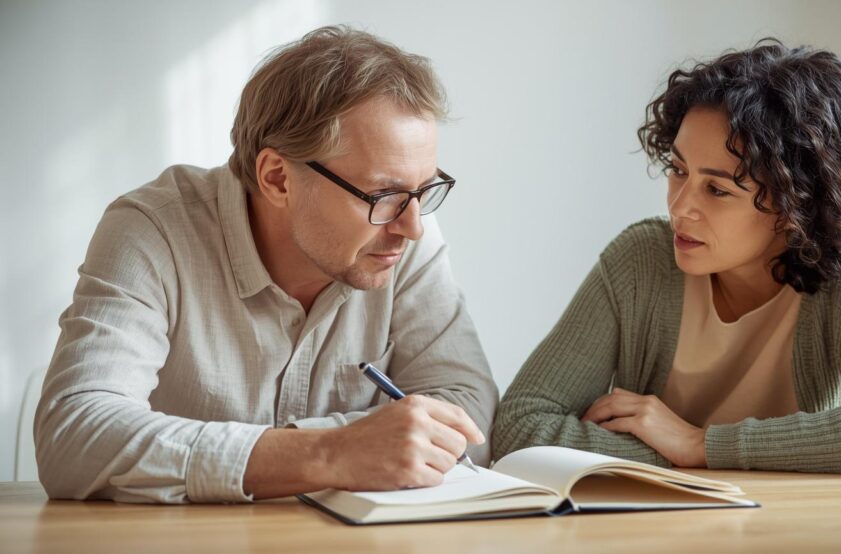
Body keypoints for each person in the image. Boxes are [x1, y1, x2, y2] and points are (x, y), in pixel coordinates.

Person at [35, 26, 497, 503]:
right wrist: (327, 454)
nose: (413, 226)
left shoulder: (403, 237)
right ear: (277, 178)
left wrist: (305, 453)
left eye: (423, 191)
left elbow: (468, 409)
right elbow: (74, 434)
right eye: (384, 195)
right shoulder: (153, 231)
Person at [493, 40, 841, 475]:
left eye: (717, 189)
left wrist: (702, 444)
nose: (679, 208)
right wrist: (672, 455)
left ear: (797, 202)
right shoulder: (640, 260)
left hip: (811, 533)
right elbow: (520, 426)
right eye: (678, 170)